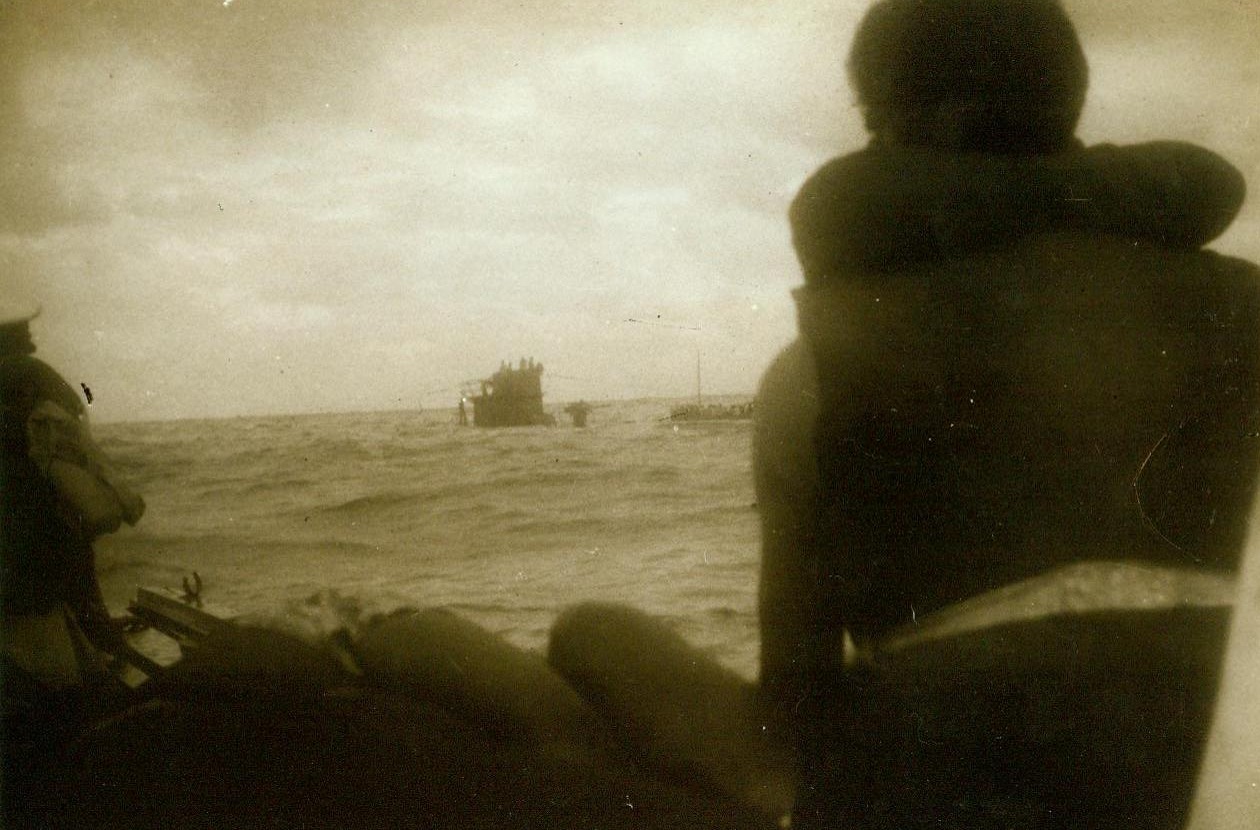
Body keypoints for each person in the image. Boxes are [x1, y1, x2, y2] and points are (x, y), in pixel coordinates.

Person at [755, 0, 1260, 826]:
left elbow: (794, 700)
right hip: (1230, 761)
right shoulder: (1246, 306)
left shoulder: (810, 369)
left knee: (599, 642)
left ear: (887, 125)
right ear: (1072, 105)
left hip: (956, 776)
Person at [1, 298, 147, 775]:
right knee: (78, 675)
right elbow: (89, 487)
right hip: (36, 547)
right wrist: (116, 499)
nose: (32, 339)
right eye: (21, 330)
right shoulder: (34, 378)